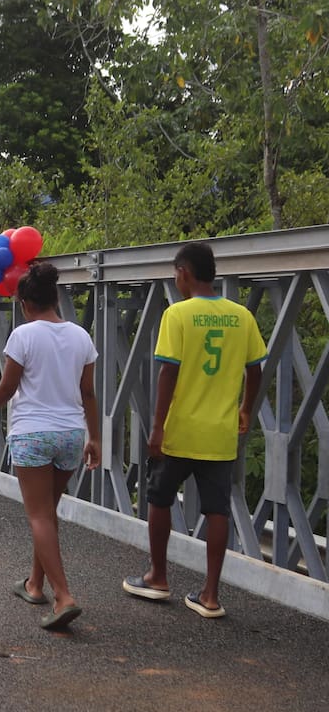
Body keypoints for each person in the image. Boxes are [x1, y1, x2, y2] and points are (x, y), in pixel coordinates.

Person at [123, 242, 266, 619]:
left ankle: (157, 577)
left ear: (183, 272)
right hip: (220, 433)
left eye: (175, 274)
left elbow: (167, 371)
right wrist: (246, 408)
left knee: (159, 498)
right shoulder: (242, 316)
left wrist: (156, 427)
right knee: (217, 509)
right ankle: (211, 596)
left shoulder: (178, 314)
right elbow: (256, 369)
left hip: (180, 430)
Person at [0, 261, 100, 631]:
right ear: (55, 298)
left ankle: (63, 595)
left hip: (33, 434)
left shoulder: (23, 336)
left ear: (24, 302)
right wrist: (95, 437)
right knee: (47, 515)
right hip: (71, 434)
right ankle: (34, 585)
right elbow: (88, 392)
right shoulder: (81, 336)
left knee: (38, 516)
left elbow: (7, 389)